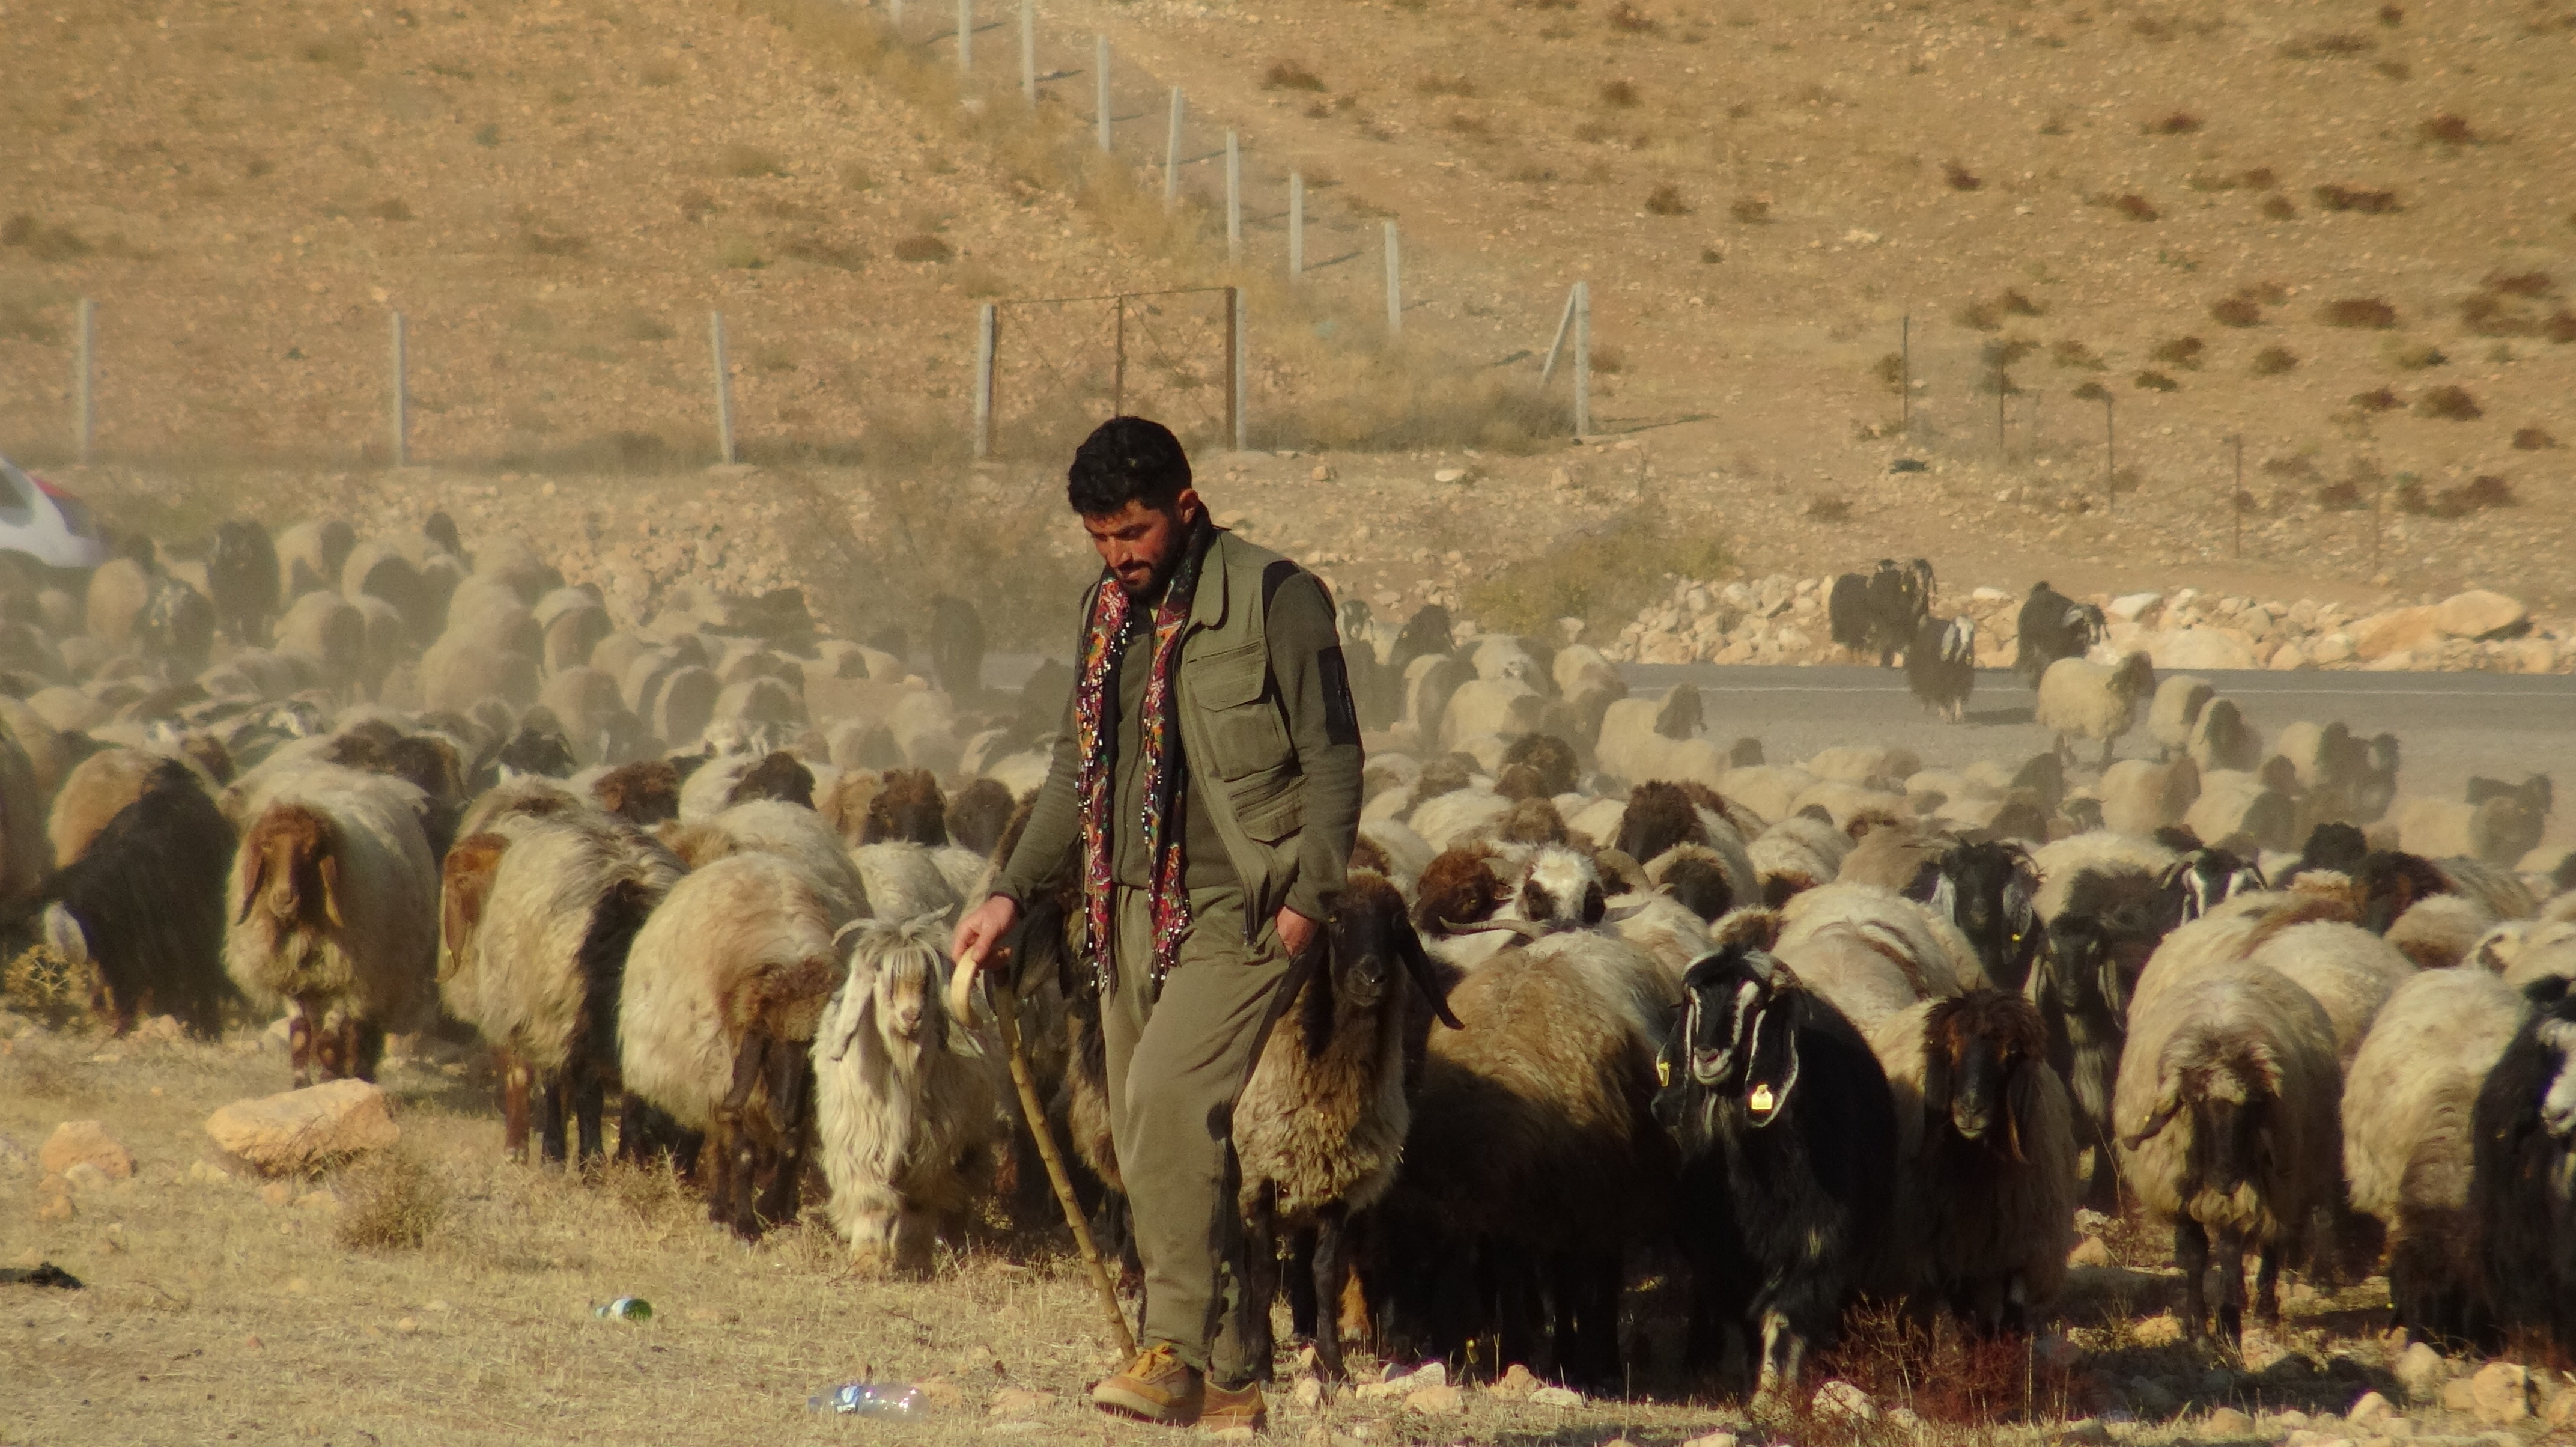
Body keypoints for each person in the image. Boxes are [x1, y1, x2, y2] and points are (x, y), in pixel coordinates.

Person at [952, 416, 1362, 1430]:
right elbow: (1069, 770)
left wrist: (1313, 897)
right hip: (1127, 908)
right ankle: (1231, 1378)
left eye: (1133, 533)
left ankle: (1171, 1345)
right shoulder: (1103, 610)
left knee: (1174, 1100)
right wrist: (1009, 891)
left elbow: (1336, 759)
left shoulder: (1278, 599)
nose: (1119, 556)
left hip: (1247, 906)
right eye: (1100, 537)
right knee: (1155, 1140)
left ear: (1185, 506)